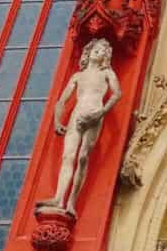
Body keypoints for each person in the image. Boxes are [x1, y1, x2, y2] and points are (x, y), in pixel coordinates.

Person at [37, 38, 121, 218]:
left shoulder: (107, 73)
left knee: (83, 157)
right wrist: (57, 121)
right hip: (77, 114)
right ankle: (59, 198)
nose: (99, 53)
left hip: (94, 114)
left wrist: (100, 113)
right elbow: (61, 101)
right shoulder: (77, 76)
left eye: (102, 51)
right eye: (96, 49)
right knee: (68, 156)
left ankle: (71, 202)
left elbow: (116, 94)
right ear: (88, 52)